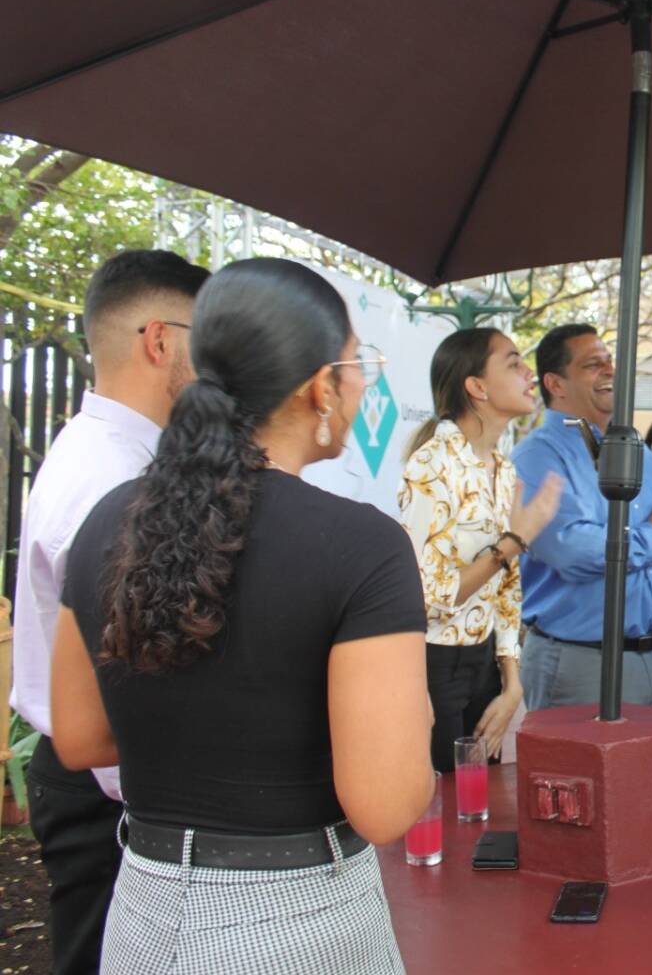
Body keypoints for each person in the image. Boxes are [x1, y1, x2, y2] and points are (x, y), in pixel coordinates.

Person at [49, 258, 433, 973]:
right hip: (298, 920)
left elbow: (79, 737)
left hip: (142, 910)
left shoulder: (108, 519)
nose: (359, 384)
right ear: (322, 386)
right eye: (359, 364)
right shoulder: (361, 545)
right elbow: (385, 806)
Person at [10, 250, 207, 975]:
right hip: (105, 788)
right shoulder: (112, 477)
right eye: (206, 335)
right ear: (160, 340)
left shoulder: (115, 453)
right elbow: (125, 672)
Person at [400, 328, 562, 771]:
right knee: (446, 808)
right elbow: (429, 596)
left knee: (480, 808)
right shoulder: (432, 464)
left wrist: (512, 687)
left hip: (487, 663)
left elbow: (506, 594)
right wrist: (512, 542)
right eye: (513, 362)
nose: (529, 373)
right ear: (476, 387)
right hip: (435, 666)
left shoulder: (504, 470)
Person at [514, 323, 652, 711]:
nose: (610, 370)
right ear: (556, 383)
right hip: (583, 665)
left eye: (609, 361)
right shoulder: (537, 456)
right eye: (593, 364)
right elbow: (571, 551)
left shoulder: (637, 450)